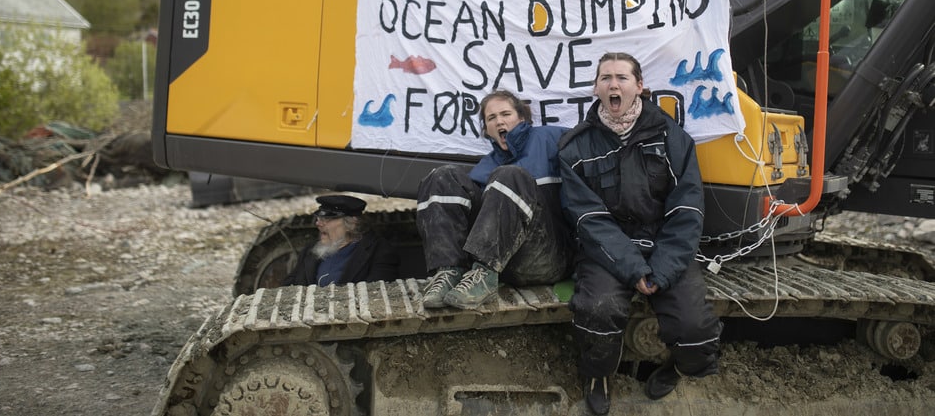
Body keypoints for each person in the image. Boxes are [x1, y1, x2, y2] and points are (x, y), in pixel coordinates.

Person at [558, 52, 721, 415]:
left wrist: (661, 271)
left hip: (665, 246)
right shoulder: (575, 147)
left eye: (621, 77)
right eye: (605, 78)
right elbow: (588, 218)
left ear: (639, 86)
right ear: (596, 88)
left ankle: (680, 366)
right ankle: (598, 374)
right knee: (597, 311)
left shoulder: (673, 138)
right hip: (608, 251)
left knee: (697, 329)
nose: (613, 84)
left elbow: (687, 210)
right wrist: (634, 269)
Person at [416, 89, 574, 310]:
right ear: (486, 129)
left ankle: (484, 272)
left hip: (549, 257)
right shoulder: (485, 168)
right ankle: (449, 271)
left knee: (510, 174)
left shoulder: (551, 139)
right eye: (491, 118)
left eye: (506, 114)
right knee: (442, 176)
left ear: (522, 118)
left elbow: (595, 148)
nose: (499, 121)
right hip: (505, 265)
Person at [282, 194, 399, 286]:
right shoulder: (310, 250)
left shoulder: (378, 250)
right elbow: (291, 285)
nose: (318, 224)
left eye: (326, 219)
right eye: (318, 218)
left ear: (352, 223)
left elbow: (378, 293)